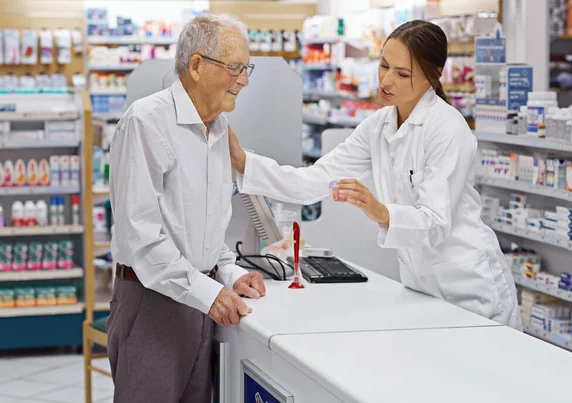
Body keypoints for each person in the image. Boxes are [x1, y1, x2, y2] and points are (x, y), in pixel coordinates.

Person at [229, 20, 522, 330]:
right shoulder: (378, 125)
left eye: (402, 73)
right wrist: (242, 160)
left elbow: (435, 224)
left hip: (470, 291)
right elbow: (314, 180)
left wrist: (380, 211)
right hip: (422, 289)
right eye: (384, 65)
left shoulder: (447, 129)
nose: (386, 80)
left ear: (434, 75)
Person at [106, 13, 266, 403]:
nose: (244, 80)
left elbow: (208, 227)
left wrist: (229, 272)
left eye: (248, 69)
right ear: (196, 65)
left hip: (199, 301)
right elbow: (140, 238)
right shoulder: (147, 122)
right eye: (235, 68)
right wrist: (206, 292)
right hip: (153, 305)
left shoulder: (218, 128)